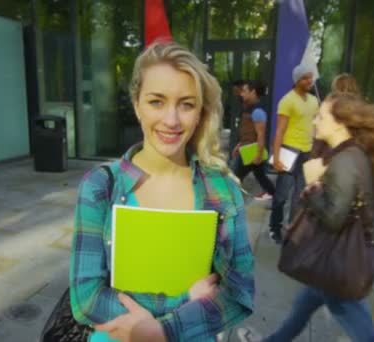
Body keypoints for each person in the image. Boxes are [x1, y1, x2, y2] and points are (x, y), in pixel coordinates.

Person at [70, 42, 254, 342]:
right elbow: (86, 299)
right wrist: (182, 307)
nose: (171, 120)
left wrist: (162, 332)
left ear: (199, 113)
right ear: (136, 103)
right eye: (157, 101)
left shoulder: (223, 190)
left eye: (186, 104)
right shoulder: (101, 185)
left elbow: (240, 292)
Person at [264, 93, 374, 342]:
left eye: (321, 116)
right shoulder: (349, 154)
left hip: (338, 260)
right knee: (305, 304)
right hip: (333, 256)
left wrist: (313, 185)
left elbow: (335, 218)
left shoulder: (345, 160)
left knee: (356, 325)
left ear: (339, 122)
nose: (315, 121)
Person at [268, 64, 319, 242]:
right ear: (297, 80)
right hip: (289, 151)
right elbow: (279, 131)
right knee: (282, 195)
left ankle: (291, 230)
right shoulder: (287, 101)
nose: (310, 81)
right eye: (306, 78)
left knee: (299, 195)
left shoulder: (314, 101)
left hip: (307, 151)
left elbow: (314, 127)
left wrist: (315, 151)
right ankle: (274, 227)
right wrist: (275, 157)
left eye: (311, 77)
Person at [230, 80, 276, 200]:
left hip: (251, 153)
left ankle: (231, 203)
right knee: (260, 176)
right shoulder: (249, 110)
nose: (242, 94)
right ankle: (273, 193)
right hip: (246, 150)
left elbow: (261, 135)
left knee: (232, 177)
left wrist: (258, 155)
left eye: (245, 91)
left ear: (253, 92)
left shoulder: (257, 112)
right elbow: (248, 133)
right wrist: (239, 145)